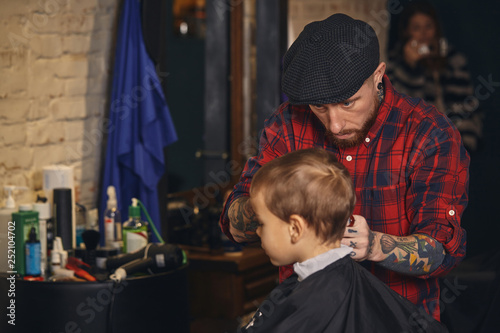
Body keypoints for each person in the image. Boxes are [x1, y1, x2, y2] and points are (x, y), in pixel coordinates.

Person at [220, 13, 469, 322]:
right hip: (310, 317)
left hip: (401, 321)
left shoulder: (429, 133)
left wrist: (374, 244)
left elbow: (443, 251)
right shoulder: (287, 125)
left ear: (378, 76)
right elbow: (234, 224)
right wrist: (274, 208)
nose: (335, 125)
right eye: (320, 107)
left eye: (349, 102)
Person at [240, 148, 447, 332]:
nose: (258, 232)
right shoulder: (331, 281)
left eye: (262, 223)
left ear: (295, 228)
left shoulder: (320, 301)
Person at [386, 0, 482, 152]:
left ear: (436, 28)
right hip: (416, 149)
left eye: (428, 26)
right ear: (407, 32)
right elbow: (403, 112)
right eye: (416, 28)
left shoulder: (454, 61)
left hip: (454, 148)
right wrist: (410, 68)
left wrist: (461, 147)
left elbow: (467, 107)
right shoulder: (393, 63)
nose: (423, 33)